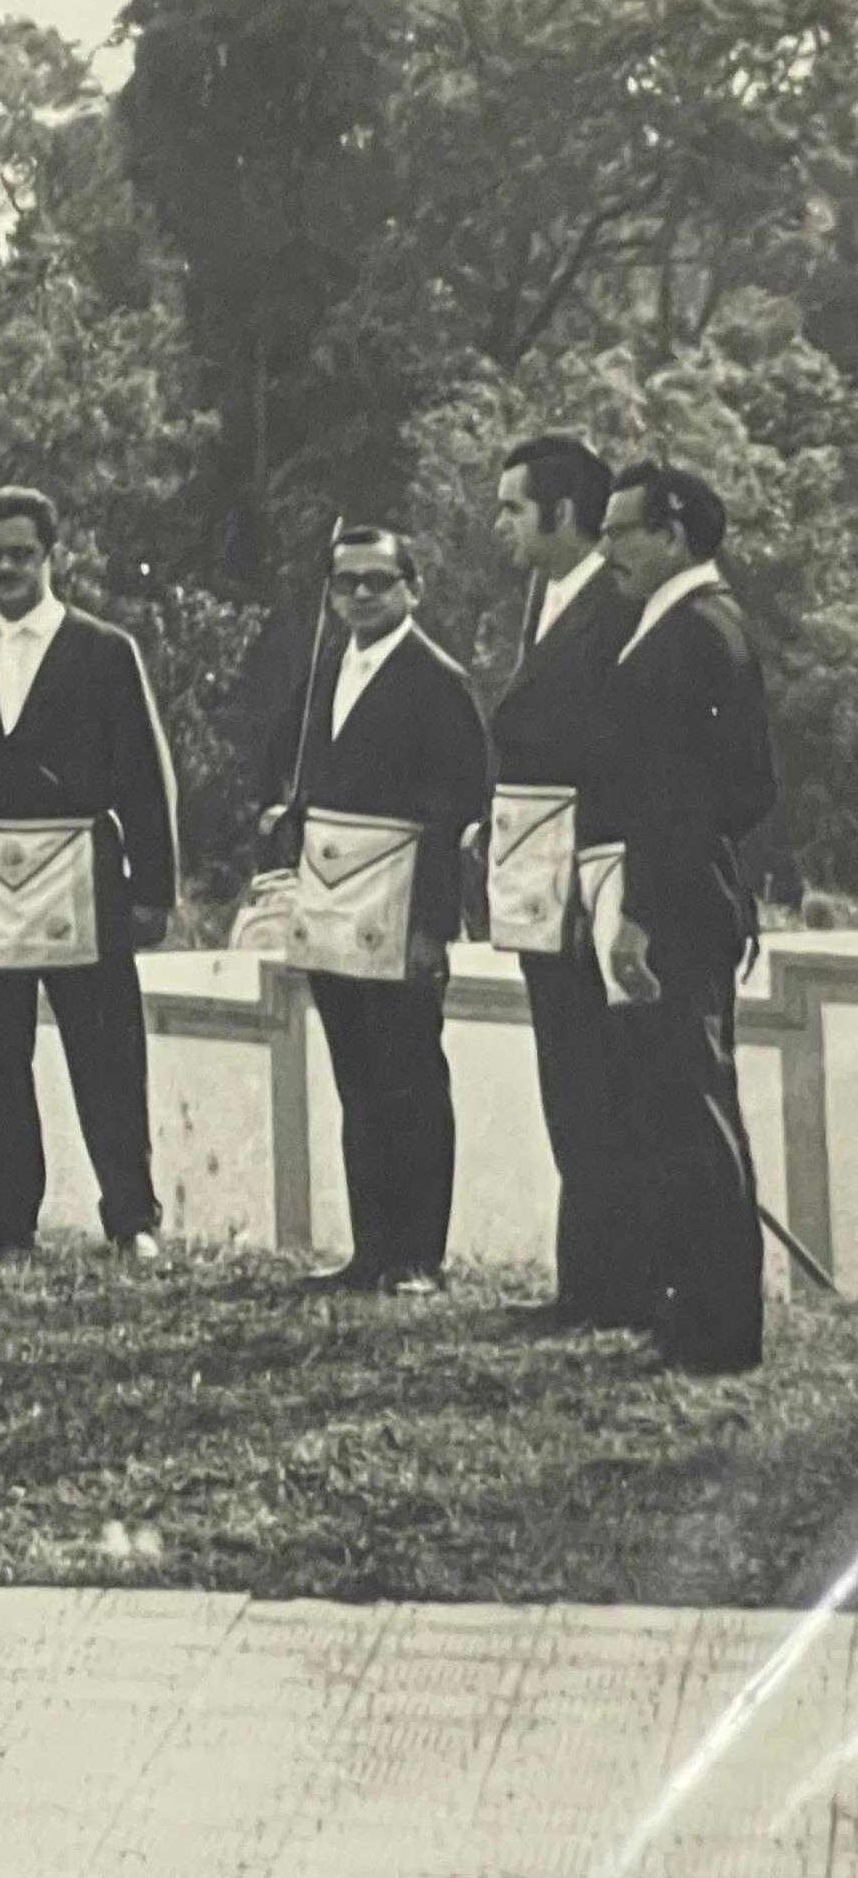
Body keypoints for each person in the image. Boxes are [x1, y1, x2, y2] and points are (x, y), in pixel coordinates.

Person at [0, 485, 181, 1260]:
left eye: (20, 555)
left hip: (77, 876)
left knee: (106, 1054)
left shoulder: (103, 649)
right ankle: (3, 1215)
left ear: (52, 557)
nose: (4, 570)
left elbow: (146, 777)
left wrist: (154, 890)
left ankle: (131, 1218)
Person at [581, 460, 779, 1375]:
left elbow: (699, 797)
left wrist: (640, 918)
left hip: (679, 903)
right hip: (685, 890)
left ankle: (718, 1329)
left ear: (671, 533)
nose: (606, 547)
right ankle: (694, 1310)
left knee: (694, 1109)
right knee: (675, 1107)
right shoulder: (684, 623)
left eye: (621, 531)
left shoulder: (696, 631)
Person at [255, 527, 490, 1293]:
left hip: (399, 912)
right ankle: (370, 1251)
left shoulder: (437, 679)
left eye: (377, 581)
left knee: (410, 1080)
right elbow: (298, 777)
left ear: (412, 589)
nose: (360, 594)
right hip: (331, 905)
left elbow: (456, 810)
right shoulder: (325, 670)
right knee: (356, 1079)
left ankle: (418, 1256)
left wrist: (430, 927)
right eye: (345, 582)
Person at [484, 436, 645, 1329]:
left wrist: (597, 886)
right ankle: (587, 1281)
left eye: (513, 507)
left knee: (598, 1083)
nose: (500, 523)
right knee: (570, 1080)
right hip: (539, 880)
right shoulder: (543, 600)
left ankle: (609, 1286)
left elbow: (615, 760)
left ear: (564, 515)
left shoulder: (613, 613)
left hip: (585, 883)